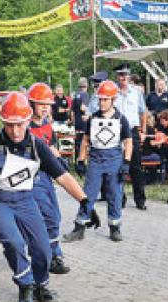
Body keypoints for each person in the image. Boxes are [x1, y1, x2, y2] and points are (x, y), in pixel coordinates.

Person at [0, 92, 89, 302]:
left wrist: (85, 201)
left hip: (25, 201)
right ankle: (25, 286)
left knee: (43, 249)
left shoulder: (37, 146)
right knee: (14, 243)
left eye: (20, 125)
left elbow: (62, 176)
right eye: (9, 125)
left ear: (27, 120)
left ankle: (40, 285)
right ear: (2, 121)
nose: (15, 131)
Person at [63, 80, 132, 243]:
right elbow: (86, 140)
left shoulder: (121, 119)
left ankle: (115, 227)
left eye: (105, 99)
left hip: (114, 159)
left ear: (113, 100)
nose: (102, 103)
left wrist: (126, 162)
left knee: (115, 194)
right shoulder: (92, 119)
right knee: (88, 194)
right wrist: (81, 160)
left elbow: (128, 141)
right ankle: (80, 227)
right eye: (100, 99)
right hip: (95, 160)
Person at [26, 82, 71, 275]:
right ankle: (52, 256)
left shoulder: (46, 124)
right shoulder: (24, 127)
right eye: (41, 104)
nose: (45, 108)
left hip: (46, 176)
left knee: (55, 215)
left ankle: (45, 252)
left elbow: (50, 145)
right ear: (31, 104)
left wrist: (59, 160)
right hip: (32, 178)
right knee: (49, 217)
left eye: (48, 105)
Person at [113, 63, 148, 210]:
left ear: (129, 76)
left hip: (132, 130)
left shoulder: (136, 92)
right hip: (116, 131)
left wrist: (143, 130)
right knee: (117, 165)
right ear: (117, 77)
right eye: (121, 75)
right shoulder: (113, 92)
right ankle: (120, 198)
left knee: (136, 167)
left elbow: (143, 112)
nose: (123, 77)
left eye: (125, 75)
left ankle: (140, 200)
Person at [71, 77, 91, 159]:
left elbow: (72, 111)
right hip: (83, 122)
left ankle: (76, 160)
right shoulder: (85, 94)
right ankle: (82, 160)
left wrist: (73, 121)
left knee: (77, 142)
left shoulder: (76, 95)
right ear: (86, 85)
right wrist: (91, 110)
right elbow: (83, 108)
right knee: (84, 142)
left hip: (77, 122)